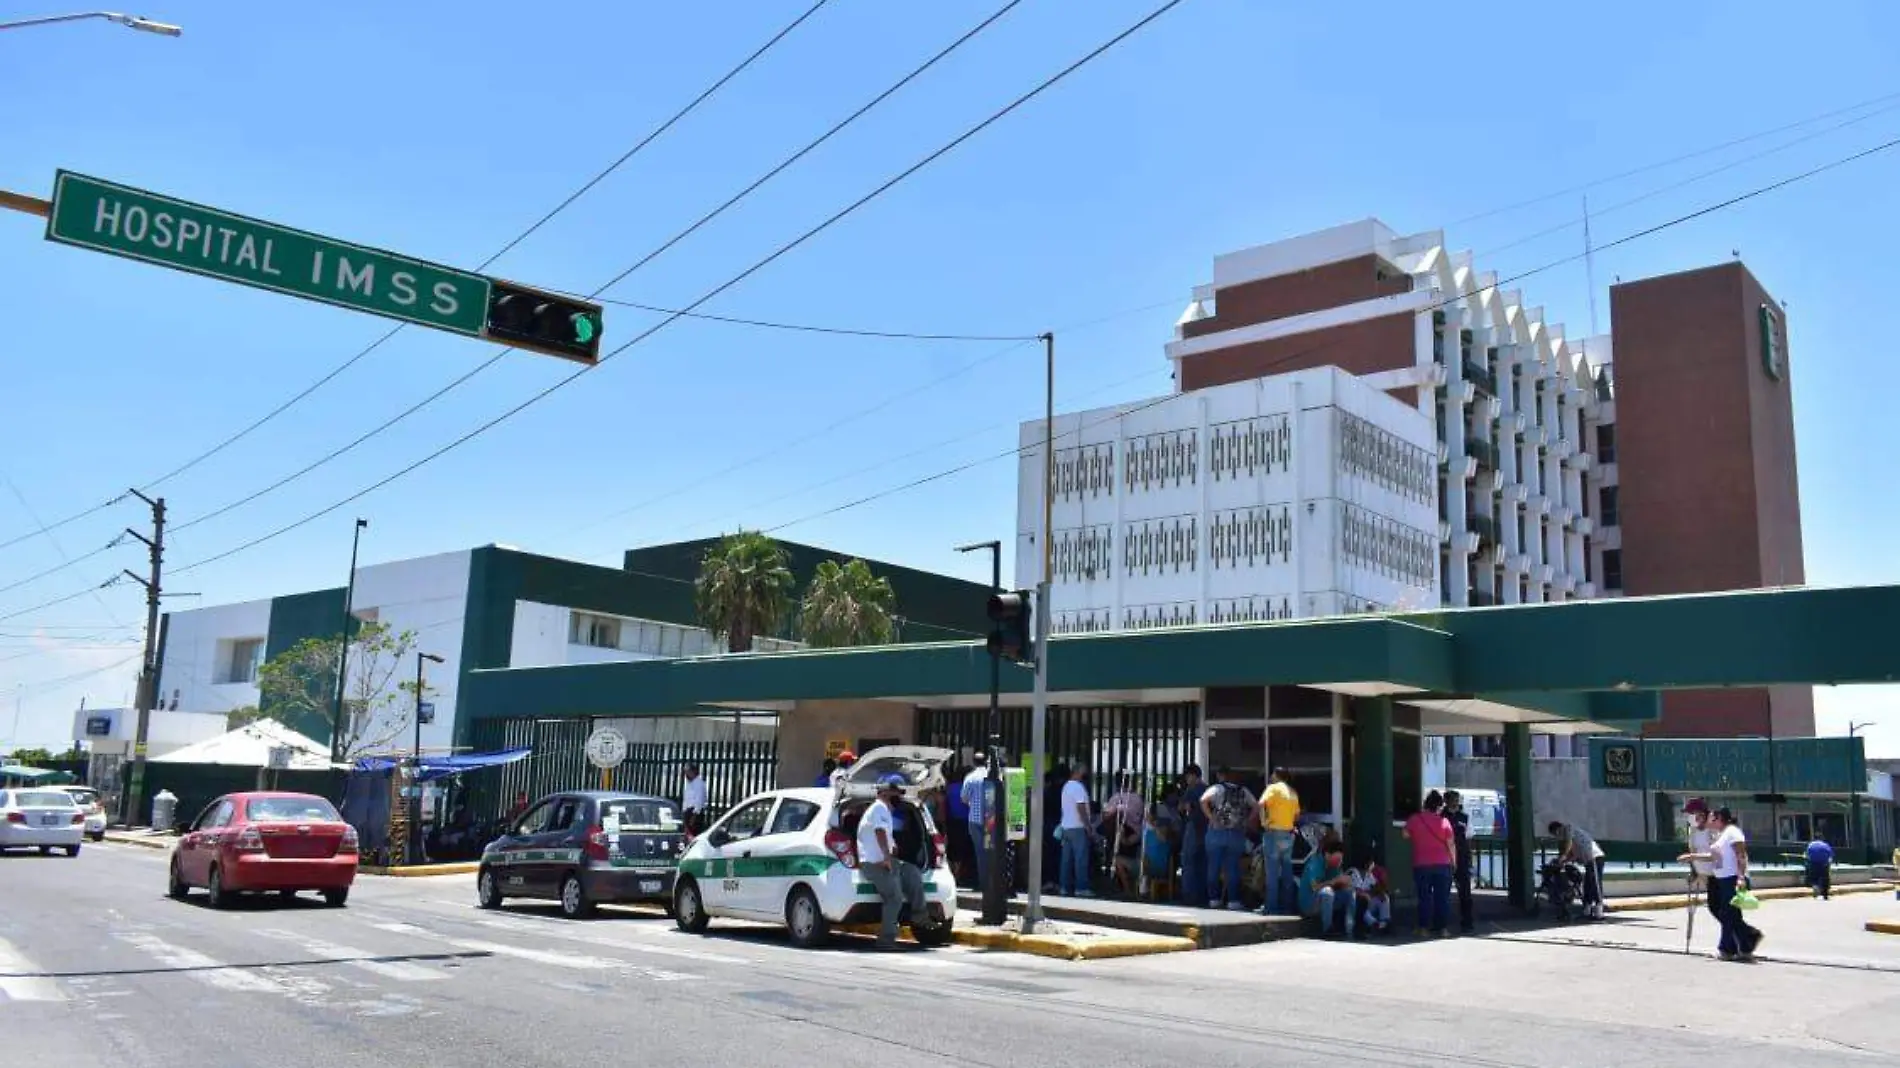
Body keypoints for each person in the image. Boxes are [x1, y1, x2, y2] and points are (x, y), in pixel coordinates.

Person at [858, 774, 927, 950]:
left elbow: (886, 836)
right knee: (894, 898)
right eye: (896, 792)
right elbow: (879, 832)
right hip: (875, 864)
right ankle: (886, 940)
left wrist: (893, 848)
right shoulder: (879, 808)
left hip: (887, 860)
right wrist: (887, 858)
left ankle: (919, 915)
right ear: (885, 792)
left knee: (912, 873)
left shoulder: (884, 811)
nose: (899, 796)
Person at [1690, 806, 1762, 962]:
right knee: (1731, 914)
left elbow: (1741, 855)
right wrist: (1692, 856)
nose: (1709, 820)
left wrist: (1741, 877)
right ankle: (1746, 944)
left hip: (1732, 878)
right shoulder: (1721, 835)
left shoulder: (1733, 832)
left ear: (1718, 818)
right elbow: (1713, 857)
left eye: (1711, 817)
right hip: (1723, 879)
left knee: (1727, 914)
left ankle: (1726, 950)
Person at [1200, 767, 1258, 911]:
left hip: (1216, 832)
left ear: (1221, 776)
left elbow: (1203, 800)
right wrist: (1247, 821)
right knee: (1233, 868)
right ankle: (1233, 901)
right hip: (1236, 833)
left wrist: (1211, 817)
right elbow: (1256, 806)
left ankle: (1214, 899)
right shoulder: (1243, 790)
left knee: (1213, 866)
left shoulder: (1217, 788)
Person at [1404, 790, 1455, 938]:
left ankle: (1423, 928)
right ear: (1439, 806)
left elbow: (1405, 834)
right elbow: (1451, 844)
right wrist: (1454, 862)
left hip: (1421, 864)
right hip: (1442, 864)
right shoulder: (1444, 822)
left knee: (1424, 897)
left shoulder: (1415, 819)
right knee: (1442, 898)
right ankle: (1443, 929)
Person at [1258, 767, 1301, 916]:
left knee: (1272, 872)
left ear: (1276, 775)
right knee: (1287, 872)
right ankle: (1287, 906)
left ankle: (1271, 907)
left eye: (1272, 774)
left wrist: (1263, 822)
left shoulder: (1273, 788)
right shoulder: (1293, 792)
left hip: (1273, 832)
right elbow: (1296, 815)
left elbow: (1261, 803)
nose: (1270, 776)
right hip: (1288, 834)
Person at [1548, 820, 1607, 920]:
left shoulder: (1568, 828)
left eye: (1555, 834)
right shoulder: (1571, 837)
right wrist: (1563, 861)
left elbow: (1568, 844)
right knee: (1587, 885)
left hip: (1594, 857)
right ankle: (1587, 910)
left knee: (1595, 884)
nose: (1557, 837)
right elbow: (1574, 855)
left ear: (1557, 829)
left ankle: (1599, 911)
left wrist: (1563, 856)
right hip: (1587, 860)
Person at [1299, 835, 1355, 938]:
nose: (1340, 862)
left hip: (1325, 901)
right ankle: (1327, 929)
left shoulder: (1335, 867)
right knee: (1327, 892)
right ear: (1328, 855)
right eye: (1337, 859)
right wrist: (1335, 881)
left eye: (1341, 859)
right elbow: (1315, 887)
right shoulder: (1315, 863)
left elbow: (1338, 886)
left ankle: (1349, 928)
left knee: (1348, 893)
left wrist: (1345, 883)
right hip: (1309, 904)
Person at [960, 752, 996, 893]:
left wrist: (972, 802)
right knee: (990, 851)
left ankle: (983, 883)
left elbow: (963, 798)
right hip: (990, 820)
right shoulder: (992, 776)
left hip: (974, 820)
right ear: (986, 762)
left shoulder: (970, 777)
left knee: (979, 852)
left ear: (973, 763)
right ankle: (992, 882)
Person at [1175, 764, 1209, 906]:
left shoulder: (1192, 790)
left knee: (1188, 861)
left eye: (1188, 776)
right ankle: (1202, 896)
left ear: (1194, 775)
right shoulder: (1208, 789)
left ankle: (1188, 895)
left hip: (1193, 827)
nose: (1187, 779)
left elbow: (1182, 807)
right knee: (1203, 863)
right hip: (1207, 828)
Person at [1058, 765, 1094, 897]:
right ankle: (1081, 887)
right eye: (1083, 773)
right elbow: (1081, 807)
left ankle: (1064, 887)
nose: (1084, 776)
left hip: (1066, 826)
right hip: (1078, 827)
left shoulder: (1066, 787)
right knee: (1080, 858)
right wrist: (1088, 826)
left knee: (1066, 859)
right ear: (1077, 773)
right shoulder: (1078, 788)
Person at [1444, 789, 1474, 933]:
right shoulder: (1441, 817)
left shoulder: (1465, 817)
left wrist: (1470, 860)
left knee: (1465, 892)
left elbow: (1469, 839)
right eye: (1452, 799)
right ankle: (1441, 922)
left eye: (1457, 800)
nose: (1455, 802)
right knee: (1443, 891)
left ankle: (1467, 921)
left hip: (1462, 857)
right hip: (1444, 857)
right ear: (1446, 801)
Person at [1350, 851, 1391, 935]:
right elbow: (1354, 891)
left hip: (1369, 901)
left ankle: (1384, 922)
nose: (1373, 864)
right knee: (1362, 903)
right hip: (1355, 905)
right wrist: (1365, 894)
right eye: (1371, 862)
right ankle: (1374, 924)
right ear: (1366, 863)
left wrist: (1380, 891)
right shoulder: (1353, 872)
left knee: (1384, 897)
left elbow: (1375, 886)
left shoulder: (1369, 874)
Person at [1804, 832, 1834, 901]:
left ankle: (1815, 886)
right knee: (1825, 879)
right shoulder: (1826, 845)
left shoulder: (1810, 845)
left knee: (1814, 878)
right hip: (1824, 864)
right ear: (1822, 838)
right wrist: (1829, 864)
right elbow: (1830, 856)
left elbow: (1807, 855)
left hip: (1813, 864)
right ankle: (1825, 895)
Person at [681, 763, 709, 837]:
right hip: (688, 812)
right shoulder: (689, 783)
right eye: (685, 772)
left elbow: (699, 801)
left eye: (688, 772)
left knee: (694, 834)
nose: (686, 774)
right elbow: (686, 799)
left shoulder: (699, 784)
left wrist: (694, 816)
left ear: (693, 772)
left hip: (694, 814)